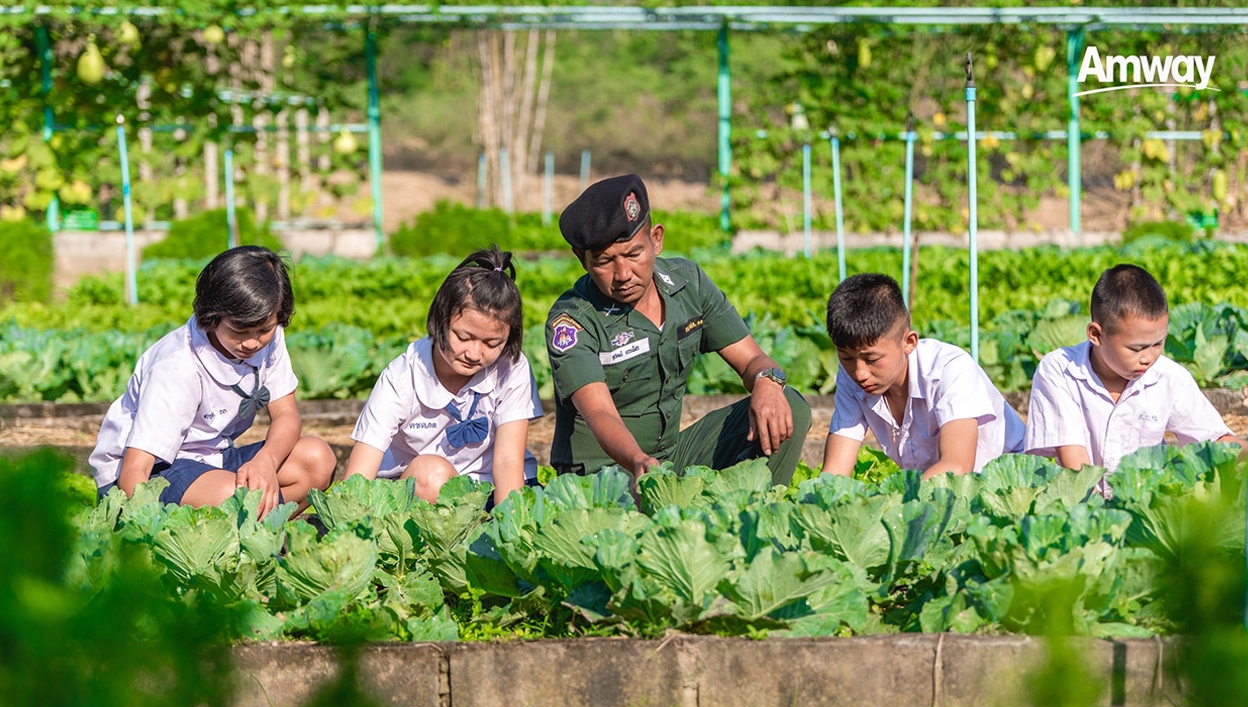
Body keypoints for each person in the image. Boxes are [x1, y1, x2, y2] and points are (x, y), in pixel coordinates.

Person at [545, 174, 811, 492]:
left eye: (633, 255)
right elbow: (600, 412)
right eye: (604, 262)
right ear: (582, 259)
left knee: (789, 405)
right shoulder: (573, 321)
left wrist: (767, 383)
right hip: (601, 475)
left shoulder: (687, 283)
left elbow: (751, 358)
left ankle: (759, 517)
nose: (623, 274)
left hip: (670, 459)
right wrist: (637, 461)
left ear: (656, 239)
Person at [90, 245, 336, 519]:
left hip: (215, 459)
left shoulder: (269, 335)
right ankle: (240, 530)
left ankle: (252, 529)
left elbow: (286, 415)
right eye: (239, 331)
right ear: (211, 316)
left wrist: (267, 461)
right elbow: (135, 470)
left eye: (264, 330)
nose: (253, 342)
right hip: (155, 470)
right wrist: (143, 527)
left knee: (318, 460)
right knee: (236, 500)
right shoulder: (177, 367)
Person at [343, 247, 542, 507]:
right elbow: (361, 471)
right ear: (440, 319)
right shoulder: (403, 375)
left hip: (494, 491)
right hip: (418, 492)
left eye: (492, 343)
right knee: (430, 474)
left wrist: (508, 530)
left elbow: (508, 463)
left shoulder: (512, 368)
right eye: (463, 337)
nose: (474, 353)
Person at [1025, 263, 1245, 489]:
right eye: (1136, 349)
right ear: (1096, 334)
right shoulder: (1060, 370)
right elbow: (1075, 467)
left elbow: (1215, 441)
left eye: (1158, 343)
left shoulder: (1170, 377)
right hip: (1083, 507)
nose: (1148, 357)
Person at [821, 273, 1025, 478]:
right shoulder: (851, 377)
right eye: (845, 358)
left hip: (1011, 482)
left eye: (872, 360)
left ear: (909, 342)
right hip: (934, 491)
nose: (860, 373)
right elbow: (835, 471)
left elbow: (956, 467)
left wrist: (898, 503)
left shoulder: (950, 369)